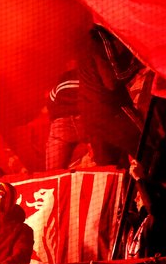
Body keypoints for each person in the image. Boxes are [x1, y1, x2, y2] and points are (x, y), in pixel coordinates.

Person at [77, 24, 143, 168]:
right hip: (112, 111)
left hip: (91, 117)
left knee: (112, 170)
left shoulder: (85, 42)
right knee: (147, 145)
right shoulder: (101, 39)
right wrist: (138, 62)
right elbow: (113, 81)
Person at [44, 61, 84, 171]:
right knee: (103, 165)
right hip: (86, 120)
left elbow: (50, 101)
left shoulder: (63, 78)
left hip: (61, 125)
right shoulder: (88, 73)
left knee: (53, 173)